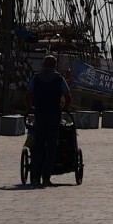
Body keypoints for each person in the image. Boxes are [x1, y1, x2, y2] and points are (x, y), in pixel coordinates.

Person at [26, 55, 72, 187]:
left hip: (40, 115)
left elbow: (27, 95)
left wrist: (30, 108)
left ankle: (35, 176)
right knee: (52, 147)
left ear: (44, 65)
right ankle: (46, 177)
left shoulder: (36, 78)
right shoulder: (59, 79)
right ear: (54, 65)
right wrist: (63, 109)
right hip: (54, 116)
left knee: (38, 146)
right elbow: (68, 97)